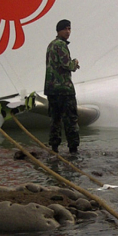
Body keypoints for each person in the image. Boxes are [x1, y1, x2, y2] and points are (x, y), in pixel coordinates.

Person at [44, 19, 81, 154]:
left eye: (69, 29)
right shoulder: (61, 45)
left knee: (55, 119)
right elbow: (67, 65)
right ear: (59, 30)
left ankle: (54, 148)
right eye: (65, 29)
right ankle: (73, 149)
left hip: (51, 89)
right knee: (70, 119)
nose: (68, 32)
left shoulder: (51, 45)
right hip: (64, 89)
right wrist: (75, 62)